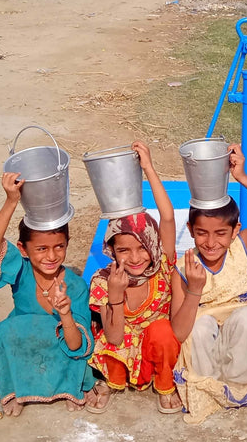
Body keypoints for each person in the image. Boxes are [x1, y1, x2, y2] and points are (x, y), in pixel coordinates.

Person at [171, 144, 247, 423]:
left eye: (221, 233)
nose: (211, 243)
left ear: (235, 230)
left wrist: (242, 177)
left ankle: (240, 384)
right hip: (206, 342)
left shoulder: (241, 246)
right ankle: (213, 385)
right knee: (200, 327)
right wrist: (194, 290)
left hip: (242, 337)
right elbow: (178, 331)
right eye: (202, 233)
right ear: (190, 230)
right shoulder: (184, 268)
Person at [0, 171, 95, 417]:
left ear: (67, 243)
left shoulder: (75, 286)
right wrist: (11, 200)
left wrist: (65, 314)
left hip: (60, 345)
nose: (51, 256)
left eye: (59, 247)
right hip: (25, 341)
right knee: (7, 331)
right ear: (23, 249)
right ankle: (16, 389)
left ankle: (68, 388)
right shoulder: (21, 270)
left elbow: (77, 345)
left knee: (65, 339)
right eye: (41, 249)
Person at [85, 141, 182, 414]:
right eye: (124, 250)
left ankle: (165, 385)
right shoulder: (104, 281)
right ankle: (109, 382)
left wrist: (148, 168)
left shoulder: (163, 266)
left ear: (152, 245)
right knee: (115, 338)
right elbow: (114, 338)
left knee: (162, 330)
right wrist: (116, 296)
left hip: (156, 349)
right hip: (121, 349)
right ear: (112, 251)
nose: (136, 258)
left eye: (142, 247)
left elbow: (168, 217)